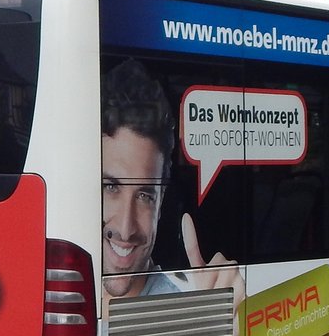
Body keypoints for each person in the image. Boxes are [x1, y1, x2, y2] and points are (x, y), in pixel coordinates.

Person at [100, 59, 244, 313]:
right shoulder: (50, 295)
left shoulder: (183, 308)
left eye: (145, 195)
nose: (125, 229)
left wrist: (221, 334)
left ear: (162, 199)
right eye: (111, 188)